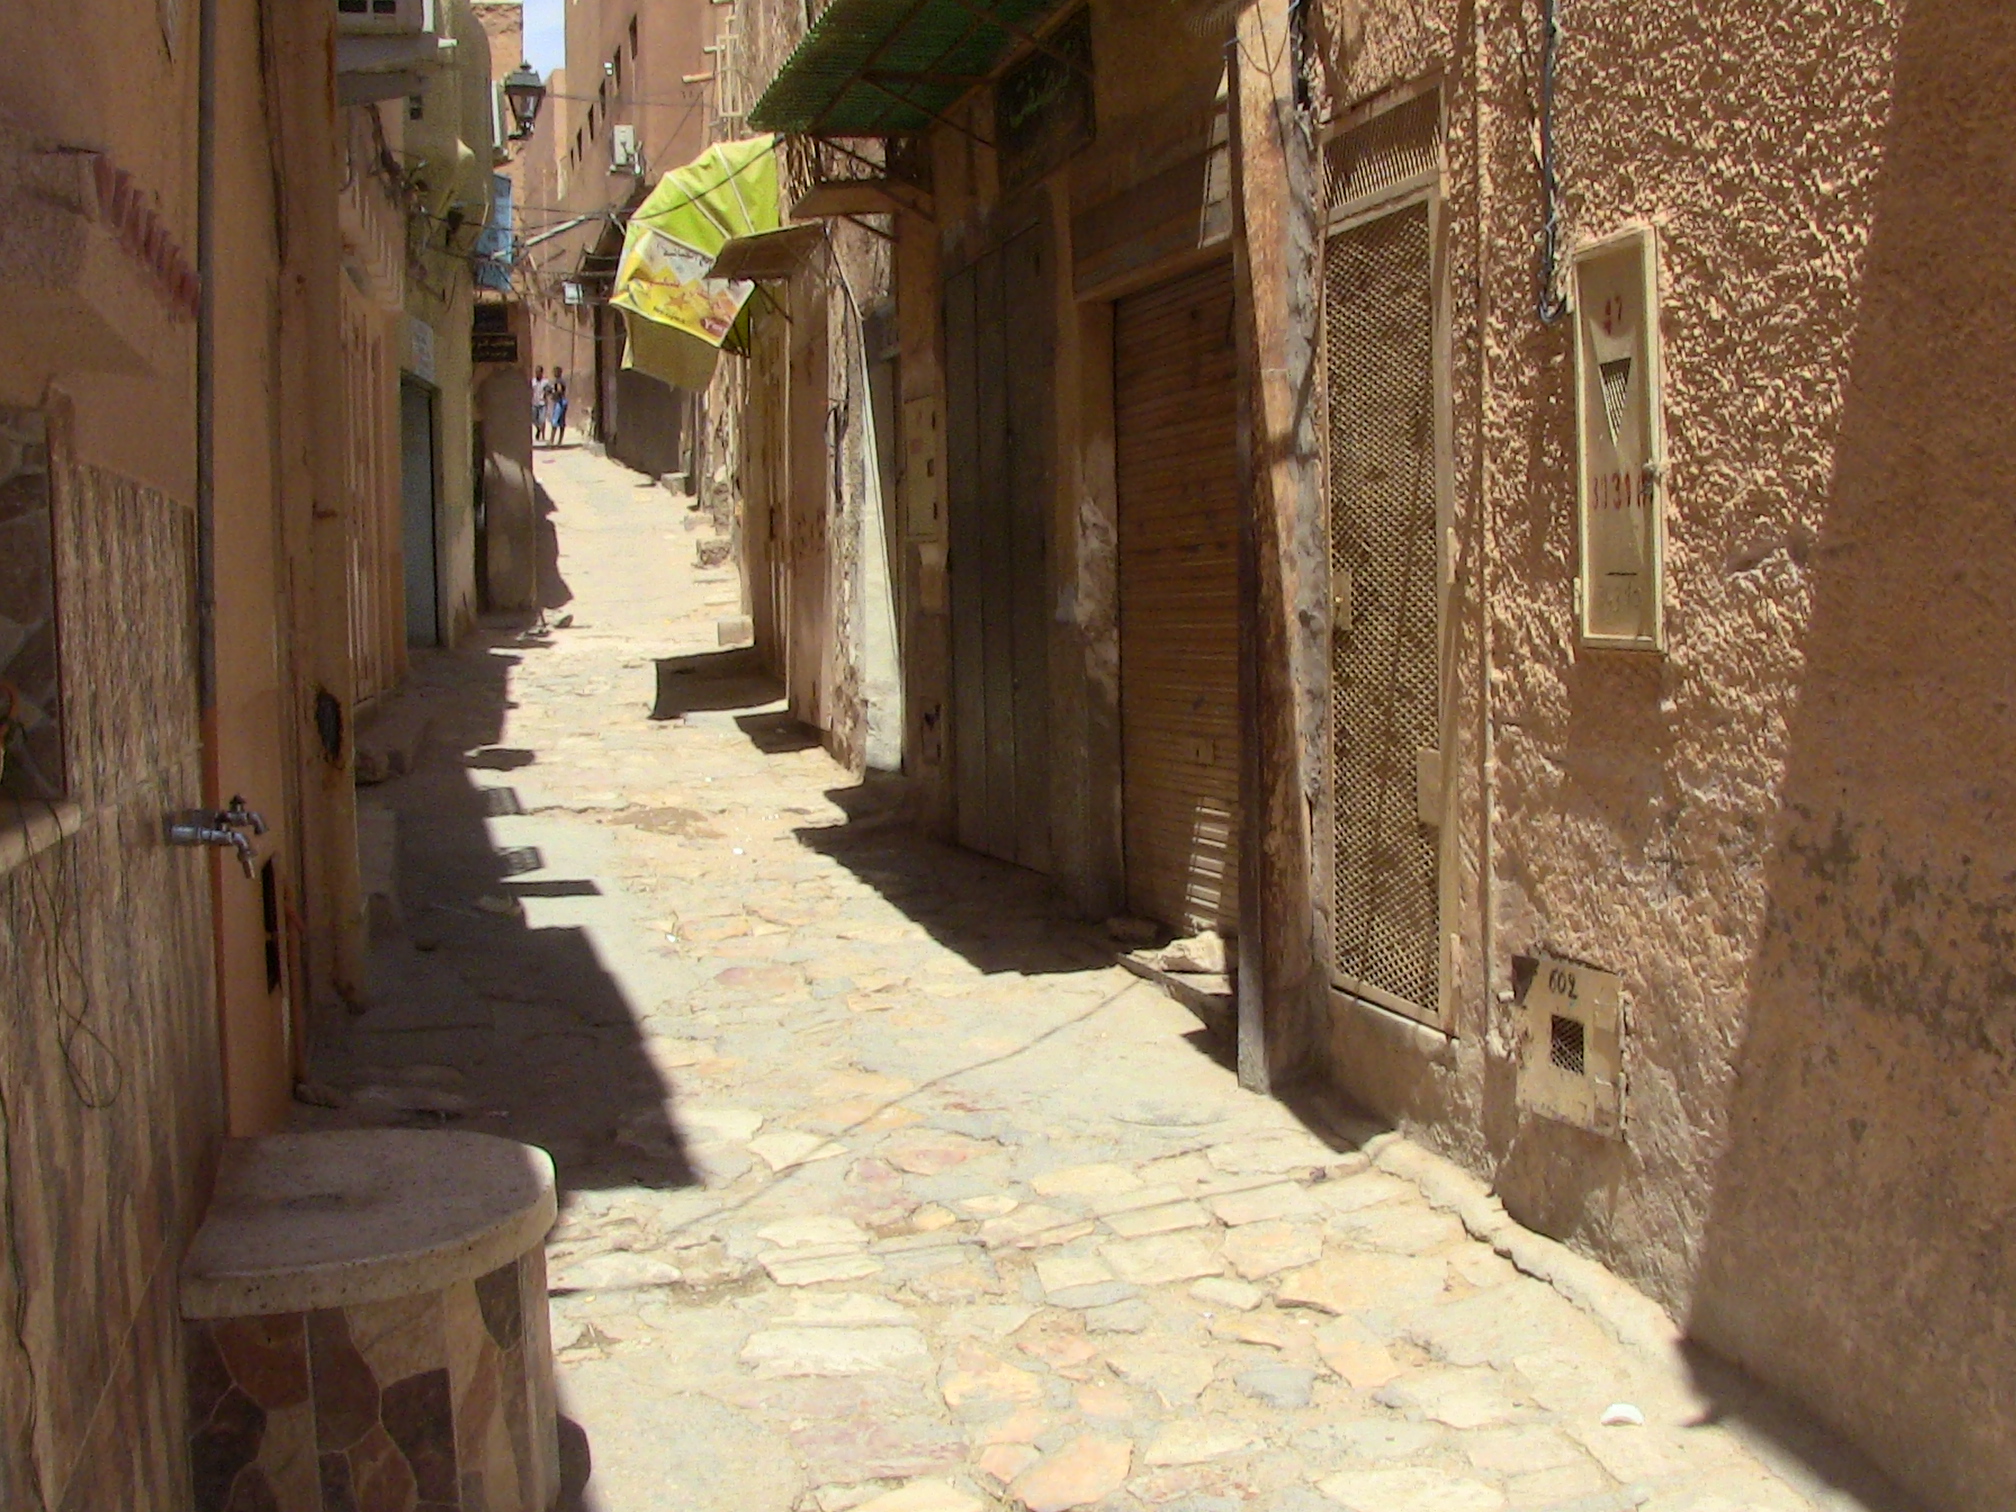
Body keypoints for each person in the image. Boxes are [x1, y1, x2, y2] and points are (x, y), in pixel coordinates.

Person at [531, 365, 551, 446]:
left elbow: (549, 390)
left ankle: (542, 435)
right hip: (534, 402)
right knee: (534, 419)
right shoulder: (533, 382)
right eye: (536, 372)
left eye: (539, 372)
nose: (537, 374)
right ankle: (538, 429)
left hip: (542, 403)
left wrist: (547, 393)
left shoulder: (545, 382)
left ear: (541, 373)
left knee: (542, 420)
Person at [549, 367, 570, 445]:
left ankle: (552, 440)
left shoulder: (558, 381)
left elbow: (559, 390)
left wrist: (553, 394)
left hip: (560, 402)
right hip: (563, 401)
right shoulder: (562, 381)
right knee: (561, 422)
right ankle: (560, 440)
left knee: (555, 421)